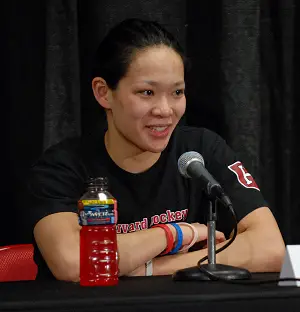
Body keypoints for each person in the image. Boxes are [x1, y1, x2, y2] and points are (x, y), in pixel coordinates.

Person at [28, 18, 285, 281]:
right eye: (147, 92)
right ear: (104, 93)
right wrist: (175, 234)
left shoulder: (202, 151)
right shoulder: (61, 168)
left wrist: (153, 268)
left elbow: (271, 249)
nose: (165, 110)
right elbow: (74, 262)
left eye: (177, 92)